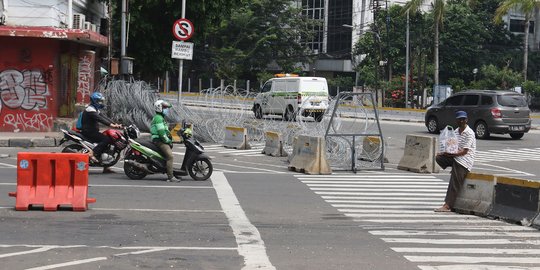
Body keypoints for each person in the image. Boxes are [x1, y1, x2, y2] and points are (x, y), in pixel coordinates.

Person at [434, 110, 476, 212]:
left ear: (466, 120)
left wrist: (450, 154)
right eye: (460, 119)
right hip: (455, 157)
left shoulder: (469, 133)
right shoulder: (456, 132)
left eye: (463, 119)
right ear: (456, 121)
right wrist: (444, 153)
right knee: (439, 158)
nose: (462, 121)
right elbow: (452, 147)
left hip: (464, 160)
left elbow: (464, 152)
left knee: (454, 182)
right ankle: (454, 168)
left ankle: (448, 205)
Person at [80, 92, 122, 173]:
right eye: (99, 101)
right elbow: (100, 119)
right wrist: (110, 125)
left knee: (109, 143)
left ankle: (106, 167)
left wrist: (114, 123)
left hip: (93, 131)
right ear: (95, 101)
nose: (101, 103)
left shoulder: (95, 109)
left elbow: (104, 117)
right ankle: (92, 153)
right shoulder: (90, 109)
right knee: (106, 140)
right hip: (89, 132)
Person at [151, 100, 180, 182]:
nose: (167, 109)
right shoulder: (158, 118)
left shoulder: (160, 118)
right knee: (170, 157)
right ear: (159, 108)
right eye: (165, 108)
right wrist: (167, 141)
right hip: (159, 141)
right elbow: (161, 133)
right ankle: (170, 177)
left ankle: (171, 172)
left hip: (160, 140)